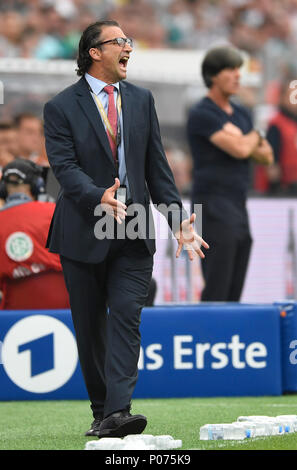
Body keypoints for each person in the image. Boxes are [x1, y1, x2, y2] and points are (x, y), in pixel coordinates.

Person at [43, 20, 208, 439]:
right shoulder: (60, 106)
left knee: (127, 318)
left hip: (133, 223)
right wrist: (98, 195)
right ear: (94, 52)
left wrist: (178, 223)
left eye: (128, 41)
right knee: (90, 325)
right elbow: (64, 168)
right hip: (85, 223)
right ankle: (102, 411)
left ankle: (119, 410)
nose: (128, 48)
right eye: (119, 42)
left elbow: (157, 169)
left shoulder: (141, 98)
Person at [187, 46, 273, 302]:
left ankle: (229, 337)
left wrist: (250, 137)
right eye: (231, 70)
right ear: (213, 75)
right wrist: (256, 135)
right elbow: (238, 149)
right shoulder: (202, 113)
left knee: (235, 284)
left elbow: (266, 156)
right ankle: (209, 337)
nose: (238, 76)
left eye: (239, 70)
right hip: (211, 203)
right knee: (217, 283)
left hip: (237, 204)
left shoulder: (242, 113)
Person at [0, 158, 69, 310]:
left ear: (3, 189)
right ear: (38, 186)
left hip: (12, 317)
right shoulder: (56, 212)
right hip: (66, 310)